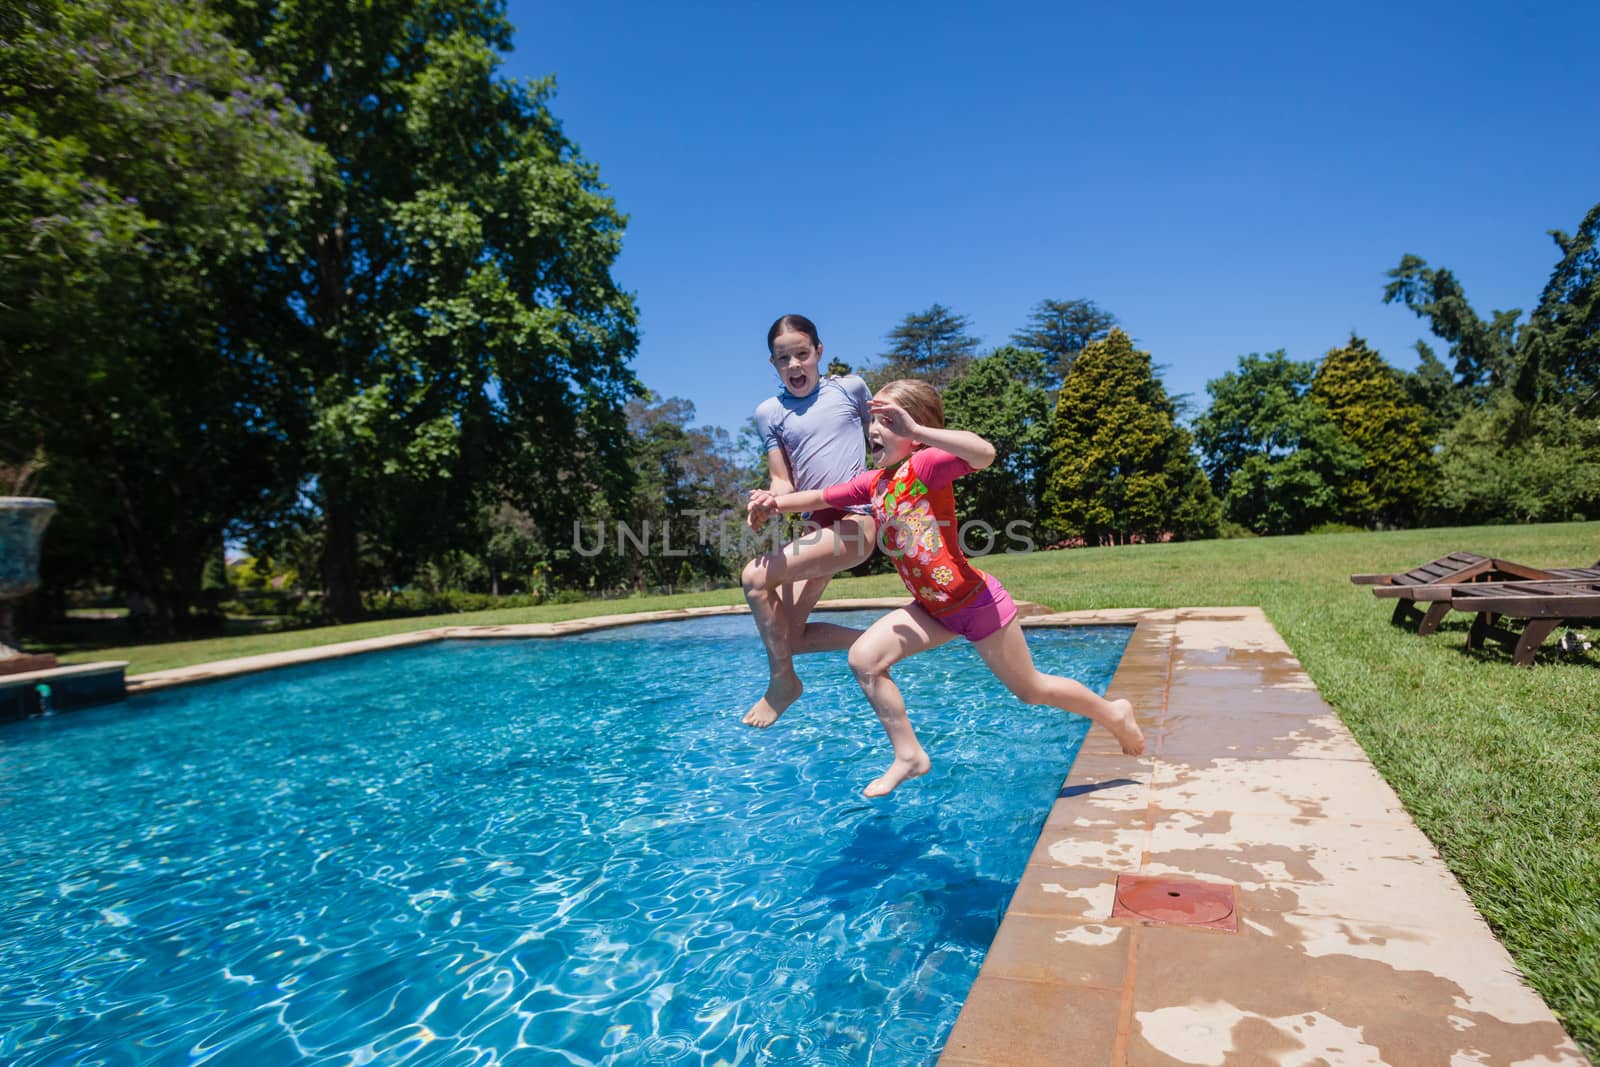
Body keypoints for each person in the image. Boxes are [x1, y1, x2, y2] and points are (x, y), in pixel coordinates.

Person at [748, 379, 1145, 797]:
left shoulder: (927, 465)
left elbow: (984, 453)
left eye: (889, 420)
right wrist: (773, 502)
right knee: (864, 659)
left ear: (914, 430)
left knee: (1032, 690)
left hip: (976, 604)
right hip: (931, 608)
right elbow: (822, 495)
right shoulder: (875, 483)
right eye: (874, 419)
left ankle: (1113, 713)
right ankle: (909, 755)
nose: (875, 429)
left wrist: (917, 432)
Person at [740, 314, 879, 728]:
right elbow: (782, 479)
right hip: (816, 529)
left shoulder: (851, 388)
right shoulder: (769, 412)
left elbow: (882, 447)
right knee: (790, 636)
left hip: (857, 523)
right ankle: (879, 642)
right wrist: (768, 499)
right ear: (773, 364)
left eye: (802, 354)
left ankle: (782, 682)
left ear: (819, 353)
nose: (795, 365)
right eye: (784, 359)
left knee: (753, 578)